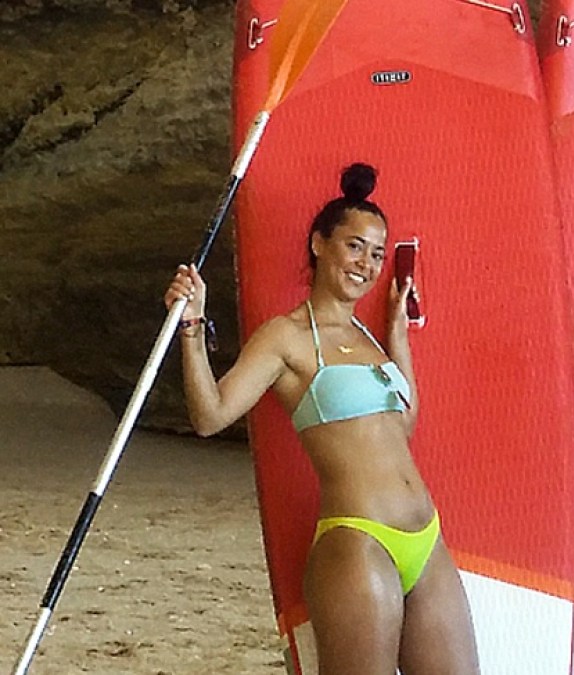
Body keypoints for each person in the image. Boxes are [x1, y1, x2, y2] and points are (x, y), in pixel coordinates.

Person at [165, 163, 479, 675]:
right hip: (358, 541)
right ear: (319, 244)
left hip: (427, 538)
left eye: (378, 253)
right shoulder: (286, 336)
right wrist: (193, 326)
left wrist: (398, 338)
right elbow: (210, 415)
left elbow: (402, 425)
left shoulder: (371, 339)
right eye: (355, 246)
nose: (367, 263)